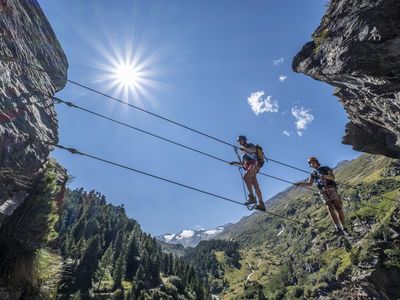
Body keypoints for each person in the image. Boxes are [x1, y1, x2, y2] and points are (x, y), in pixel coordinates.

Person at [295, 157, 347, 234]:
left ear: (316, 162)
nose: (311, 164)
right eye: (310, 163)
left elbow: (332, 177)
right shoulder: (313, 174)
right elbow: (310, 183)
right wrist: (300, 183)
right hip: (322, 191)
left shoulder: (325, 168)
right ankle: (337, 227)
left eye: (312, 162)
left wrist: (325, 176)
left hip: (331, 188)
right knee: (329, 207)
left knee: (338, 207)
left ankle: (343, 226)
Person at [230, 135, 266, 212]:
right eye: (238, 141)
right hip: (251, 166)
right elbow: (243, 163)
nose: (239, 142)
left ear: (244, 140)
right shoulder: (243, 152)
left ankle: (252, 197)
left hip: (254, 164)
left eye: (240, 140)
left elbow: (253, 150)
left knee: (246, 177)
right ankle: (261, 204)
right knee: (256, 186)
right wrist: (234, 162)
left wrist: (244, 149)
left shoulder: (250, 145)